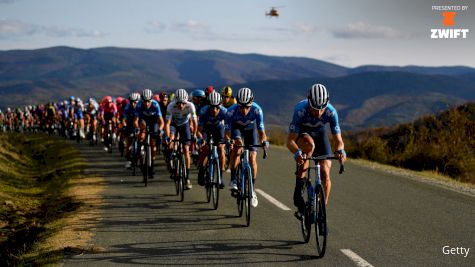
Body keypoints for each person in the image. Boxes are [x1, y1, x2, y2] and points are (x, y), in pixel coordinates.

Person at [286, 83, 346, 220]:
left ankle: (322, 208)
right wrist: (297, 153)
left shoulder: (331, 112)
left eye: (321, 109)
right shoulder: (300, 110)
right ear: (309, 102)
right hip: (303, 134)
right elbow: (290, 141)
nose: (318, 113)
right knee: (309, 147)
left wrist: (341, 151)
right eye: (314, 109)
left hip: (320, 134)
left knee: (325, 171)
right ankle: (298, 190)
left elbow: (338, 141)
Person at [226, 87, 269, 207]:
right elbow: (228, 131)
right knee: (238, 148)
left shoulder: (257, 110)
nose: (244, 110)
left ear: (251, 104)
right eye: (241, 107)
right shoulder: (231, 111)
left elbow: (261, 131)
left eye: (247, 107)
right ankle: (234, 180)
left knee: (253, 157)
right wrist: (230, 140)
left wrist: (264, 141)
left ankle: (252, 189)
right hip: (237, 129)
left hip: (251, 131)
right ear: (237, 104)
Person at [164, 89, 198, 189]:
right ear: (176, 101)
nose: (181, 106)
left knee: (186, 150)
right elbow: (167, 124)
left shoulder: (191, 105)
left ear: (186, 101)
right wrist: (167, 136)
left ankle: (187, 178)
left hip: (185, 125)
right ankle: (170, 159)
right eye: (179, 103)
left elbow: (195, 123)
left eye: (183, 103)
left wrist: (194, 134)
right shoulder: (171, 106)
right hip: (174, 124)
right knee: (171, 138)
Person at [196, 92, 227, 188]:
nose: (214, 110)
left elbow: (229, 128)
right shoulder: (203, 111)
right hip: (206, 129)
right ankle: (201, 171)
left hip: (219, 129)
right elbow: (199, 130)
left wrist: (227, 139)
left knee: (221, 150)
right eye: (212, 107)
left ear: (220, 105)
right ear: (208, 105)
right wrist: (201, 139)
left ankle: (220, 177)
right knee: (205, 149)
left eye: (217, 107)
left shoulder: (224, 111)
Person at [134, 89, 164, 178]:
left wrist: (161, 130)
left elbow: (161, 122)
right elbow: (135, 121)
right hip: (143, 121)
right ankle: (139, 150)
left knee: (153, 144)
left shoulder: (155, 105)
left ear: (151, 100)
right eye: (145, 101)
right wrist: (137, 128)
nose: (146, 104)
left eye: (148, 102)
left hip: (154, 122)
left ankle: (152, 165)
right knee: (142, 134)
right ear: (142, 100)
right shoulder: (139, 105)